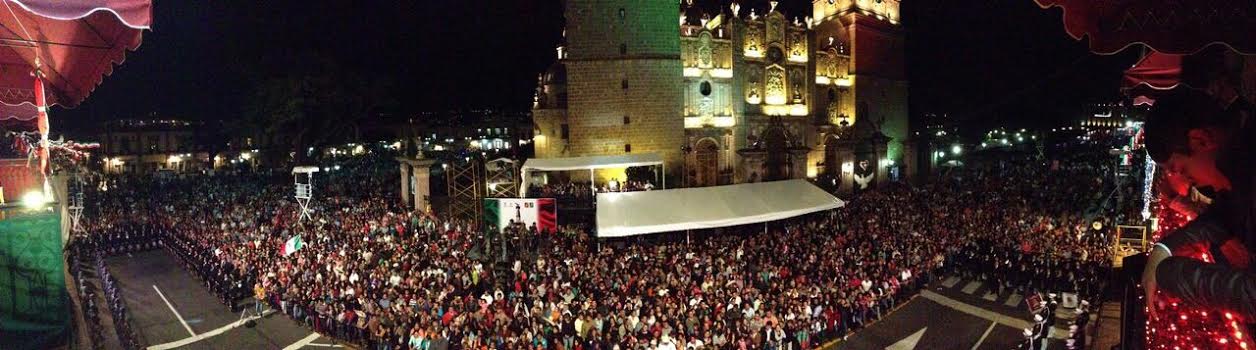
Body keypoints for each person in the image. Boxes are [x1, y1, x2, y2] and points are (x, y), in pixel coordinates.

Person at [1141, 87, 1255, 319]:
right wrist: (1163, 248)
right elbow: (1222, 214)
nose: (1186, 181)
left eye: (1180, 169)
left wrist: (1168, 273)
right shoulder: (1240, 171)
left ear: (1201, 140)